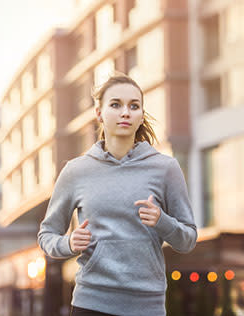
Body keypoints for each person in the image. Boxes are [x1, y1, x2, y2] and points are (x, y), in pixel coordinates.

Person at [37, 73, 198, 316]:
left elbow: (188, 239)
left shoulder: (166, 168)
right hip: (91, 303)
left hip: (147, 306)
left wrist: (162, 221)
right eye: (116, 105)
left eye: (134, 106)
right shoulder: (76, 171)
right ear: (99, 113)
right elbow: (46, 235)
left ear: (141, 115)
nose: (126, 112)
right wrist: (68, 243)